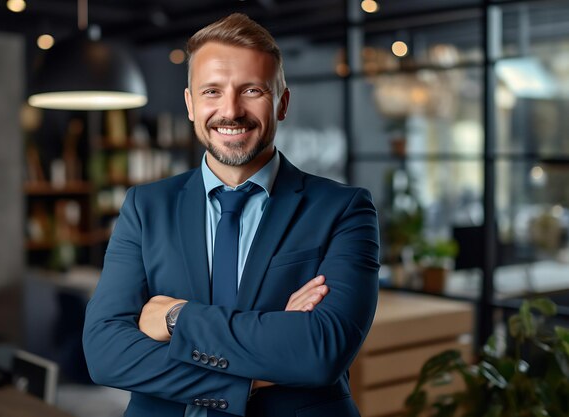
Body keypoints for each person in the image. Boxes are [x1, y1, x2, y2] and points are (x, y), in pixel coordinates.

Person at [83, 13, 379, 417]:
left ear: (282, 103)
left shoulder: (343, 209)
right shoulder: (145, 206)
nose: (231, 110)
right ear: (190, 104)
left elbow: (320, 350)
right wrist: (254, 372)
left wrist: (175, 317)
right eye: (211, 92)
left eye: (252, 90)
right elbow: (105, 353)